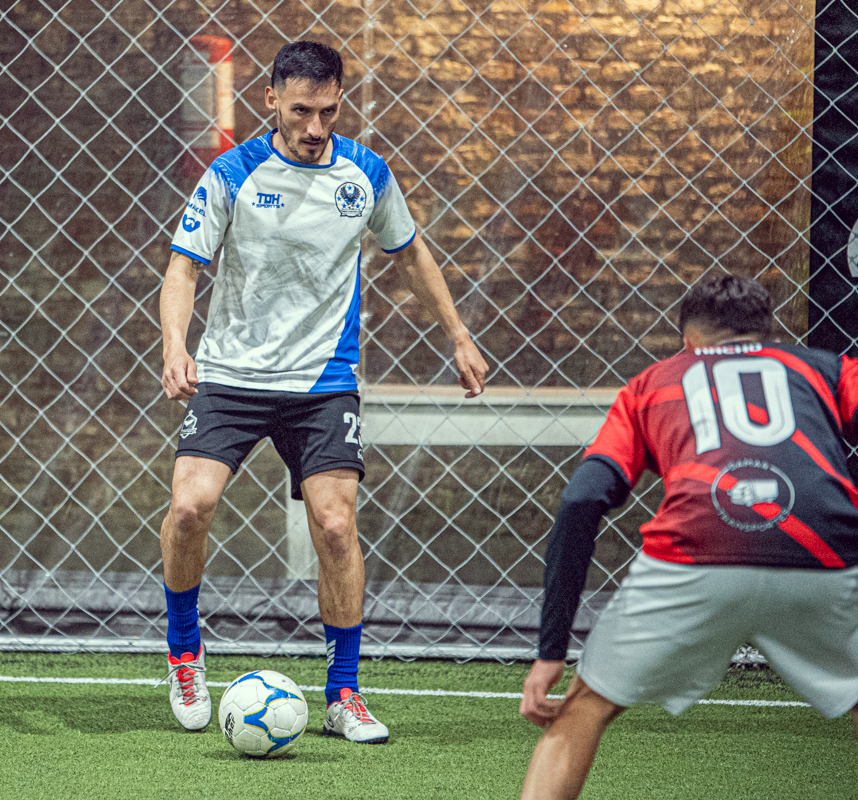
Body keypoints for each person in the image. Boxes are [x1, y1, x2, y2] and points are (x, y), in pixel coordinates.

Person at [157, 40, 489, 741]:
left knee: (336, 527)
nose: (315, 127)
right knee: (189, 507)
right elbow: (183, 267)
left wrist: (458, 335)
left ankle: (343, 694)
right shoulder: (233, 172)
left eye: (328, 112)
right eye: (301, 110)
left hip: (323, 381)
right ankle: (185, 653)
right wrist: (175, 346)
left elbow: (412, 251)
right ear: (272, 100)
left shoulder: (365, 173)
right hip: (231, 375)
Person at [518, 274, 858, 798]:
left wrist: (550, 652)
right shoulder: (826, 369)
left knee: (587, 704)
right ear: (769, 334)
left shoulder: (650, 385)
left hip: (694, 556)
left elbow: (582, 499)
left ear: (687, 339)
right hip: (823, 552)